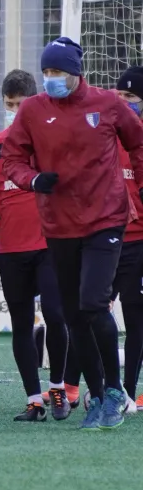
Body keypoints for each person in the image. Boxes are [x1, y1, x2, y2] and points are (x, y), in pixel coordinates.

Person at [3, 36, 143, 430]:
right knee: (73, 315)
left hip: (106, 220)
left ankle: (115, 392)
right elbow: (11, 158)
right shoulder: (32, 110)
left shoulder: (108, 104)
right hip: (58, 225)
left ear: (76, 73)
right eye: (46, 72)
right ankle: (98, 396)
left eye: (58, 72)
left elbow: (139, 142)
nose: (51, 79)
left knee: (93, 302)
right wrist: (32, 180)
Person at [0, 69, 70, 421]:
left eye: (20, 103)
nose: (14, 109)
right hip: (10, 246)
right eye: (9, 104)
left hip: (49, 242)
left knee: (56, 315)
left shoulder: (50, 140)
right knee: (19, 324)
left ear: (33, 102)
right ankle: (34, 398)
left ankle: (58, 388)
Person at [113, 65, 143, 412]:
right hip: (105, 238)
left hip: (138, 242)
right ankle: (89, 386)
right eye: (120, 96)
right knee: (90, 310)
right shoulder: (106, 132)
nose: (123, 102)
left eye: (131, 97)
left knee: (135, 319)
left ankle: (129, 390)